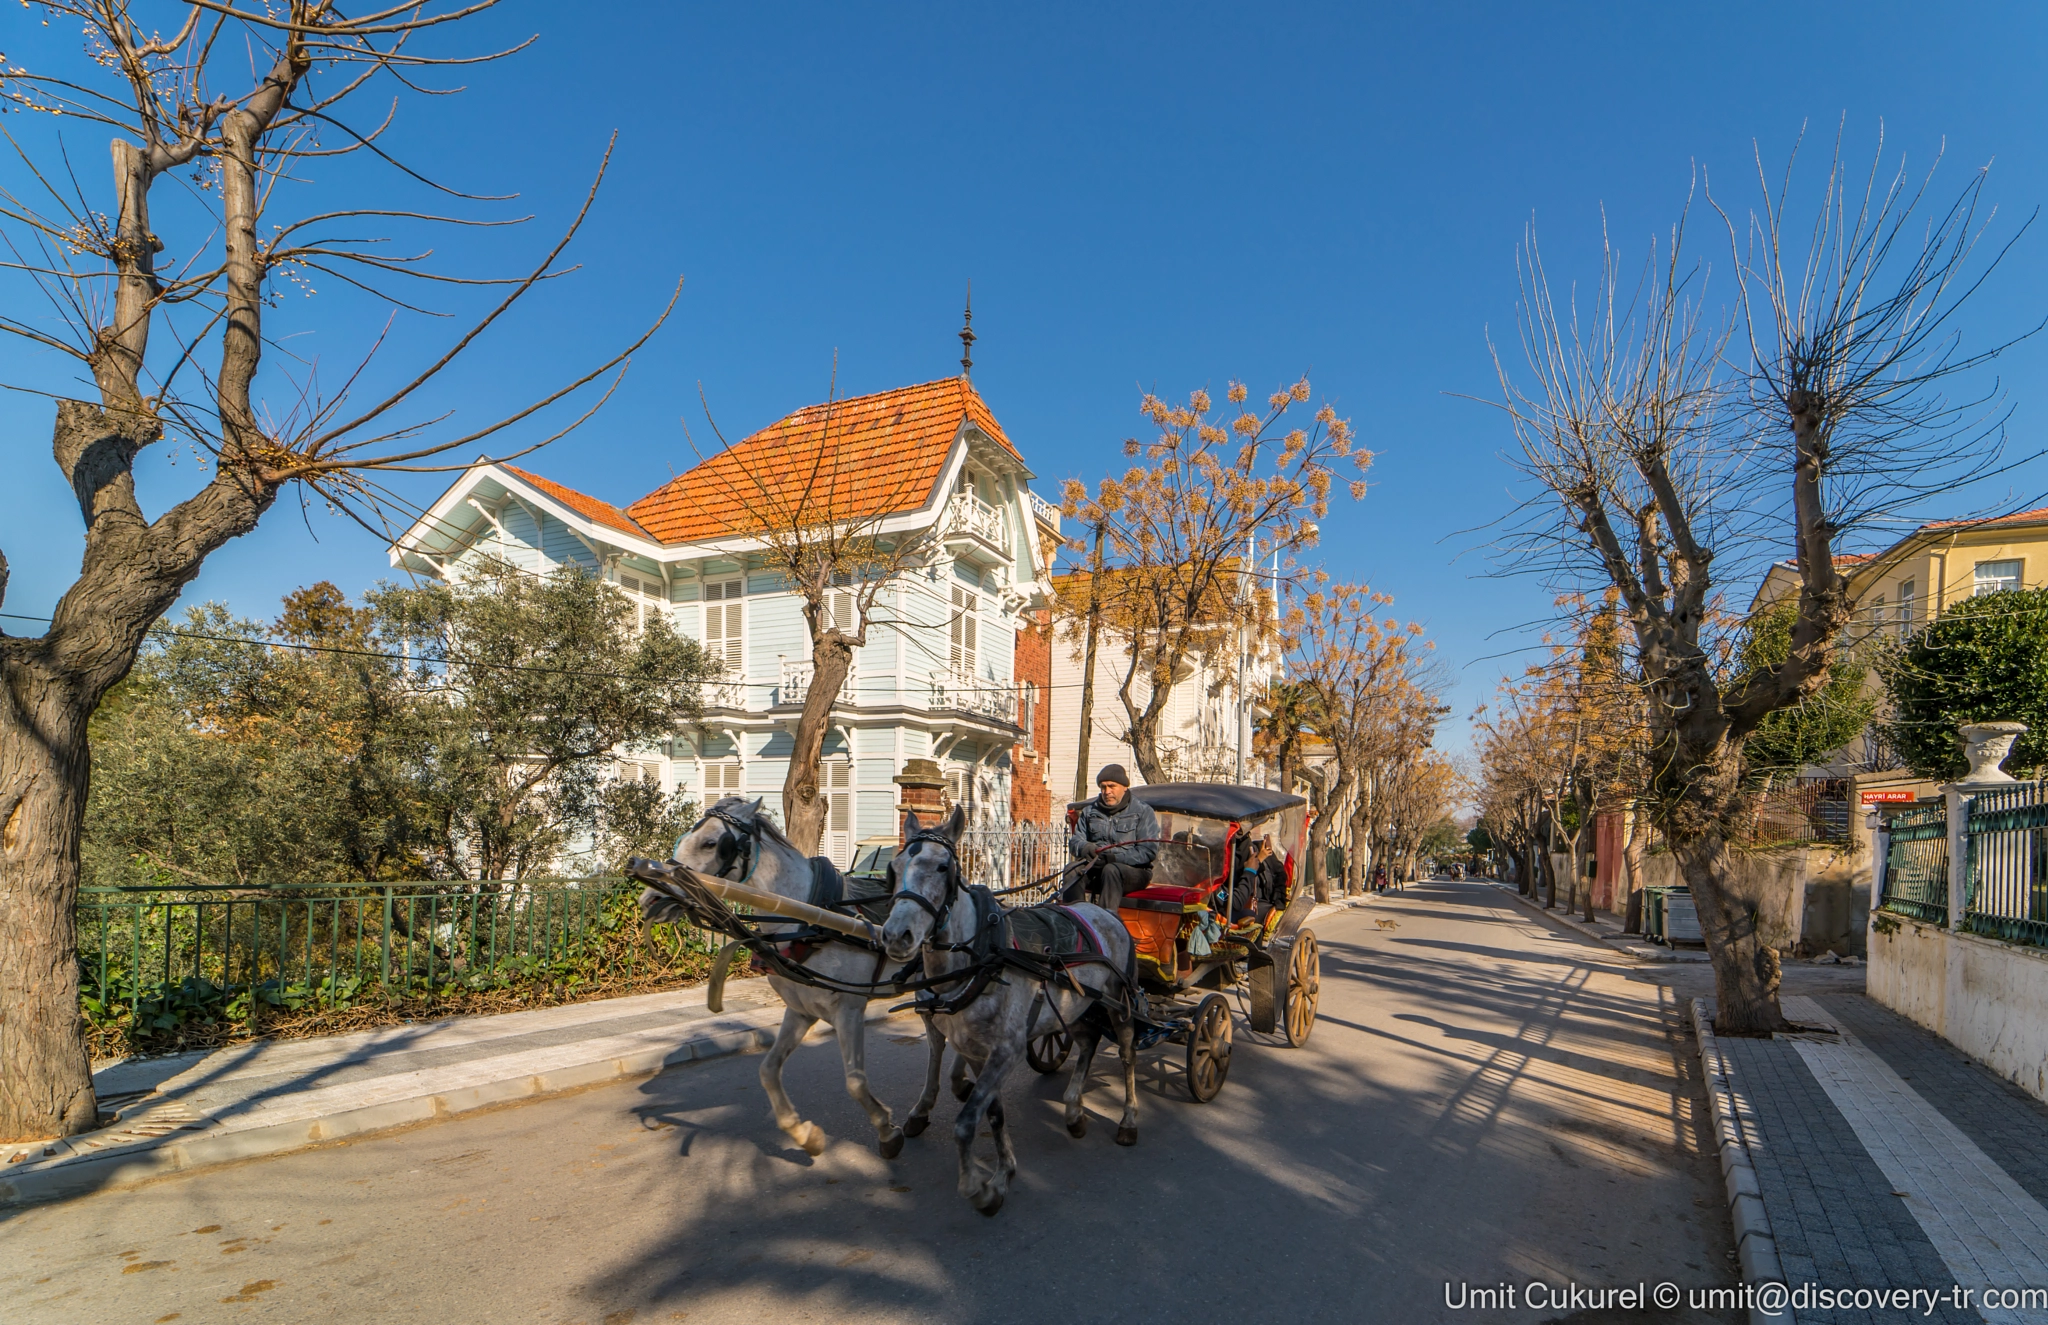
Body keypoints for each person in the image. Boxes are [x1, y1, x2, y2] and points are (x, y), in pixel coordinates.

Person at [1063, 764, 1158, 913]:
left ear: (1124, 787)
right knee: (1072, 869)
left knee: (1111, 870)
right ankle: (1075, 918)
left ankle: (1104, 921)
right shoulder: (1090, 812)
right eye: (1103, 787)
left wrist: (1115, 858)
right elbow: (1076, 841)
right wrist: (1087, 848)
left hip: (1134, 873)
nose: (1107, 792)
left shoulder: (1143, 812)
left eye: (1112, 786)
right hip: (1097, 869)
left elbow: (1147, 851)